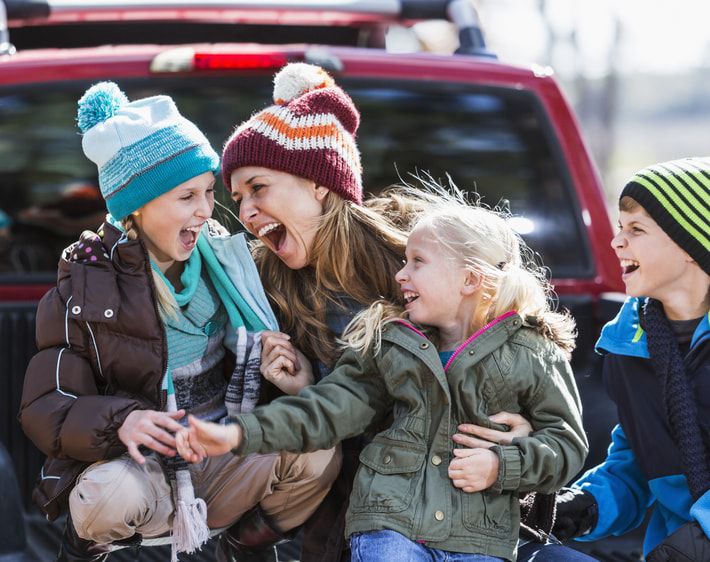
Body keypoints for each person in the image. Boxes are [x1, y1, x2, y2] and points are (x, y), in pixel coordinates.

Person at [217, 61, 596, 562]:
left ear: (318, 183)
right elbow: (326, 422)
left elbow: (499, 355)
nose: (244, 212)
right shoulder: (259, 287)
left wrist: (520, 432)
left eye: (258, 188)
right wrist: (306, 387)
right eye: (237, 197)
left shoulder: (419, 254)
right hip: (361, 515)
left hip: (470, 510)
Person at [176, 187, 590, 562]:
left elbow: (566, 445)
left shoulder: (532, 351)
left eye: (417, 263)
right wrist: (240, 433)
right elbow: (329, 408)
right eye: (404, 261)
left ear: (470, 279)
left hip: (478, 537)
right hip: (390, 527)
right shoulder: (389, 343)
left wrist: (502, 466)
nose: (400, 275)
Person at [18, 81, 340, 562]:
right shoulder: (85, 287)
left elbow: (268, 393)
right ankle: (87, 553)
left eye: (209, 192)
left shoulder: (231, 264)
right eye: (186, 196)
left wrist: (295, 384)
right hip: (140, 473)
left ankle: (238, 549)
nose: (206, 211)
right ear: (136, 207)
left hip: (221, 455)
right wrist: (123, 419)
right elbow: (46, 406)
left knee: (317, 447)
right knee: (107, 495)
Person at [551, 157, 710, 561]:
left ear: (692, 245)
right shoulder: (631, 343)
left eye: (636, 229)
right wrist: (586, 507)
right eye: (620, 227)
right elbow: (644, 464)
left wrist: (696, 543)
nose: (616, 242)